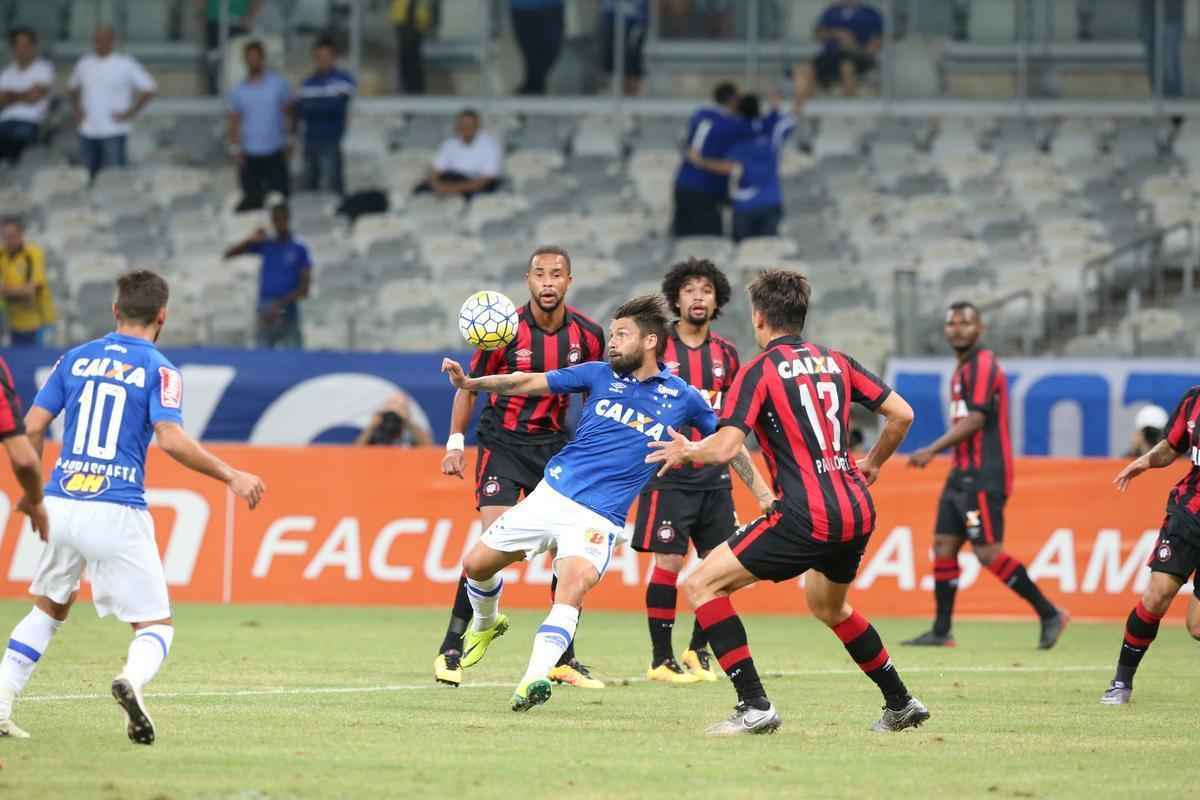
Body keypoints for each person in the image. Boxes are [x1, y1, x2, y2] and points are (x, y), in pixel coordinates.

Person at [442, 294, 768, 713]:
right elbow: (527, 381)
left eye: (621, 335)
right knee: (475, 565)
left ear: (650, 341)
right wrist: (472, 384)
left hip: (598, 517)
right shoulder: (598, 374)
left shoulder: (683, 397)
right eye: (611, 334)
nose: (611, 342)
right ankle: (486, 625)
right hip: (551, 495)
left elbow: (730, 443)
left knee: (572, 585)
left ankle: (532, 679)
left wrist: (760, 492)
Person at [646, 269, 926, 735]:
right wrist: (873, 462)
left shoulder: (759, 370)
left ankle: (754, 705)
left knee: (701, 586)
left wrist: (688, 449)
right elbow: (902, 413)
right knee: (830, 607)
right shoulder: (837, 360)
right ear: (800, 316)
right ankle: (900, 702)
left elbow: (724, 446)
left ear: (759, 319)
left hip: (804, 515)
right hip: (856, 510)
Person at [0, 270, 266, 743]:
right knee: (154, 625)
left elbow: (33, 428)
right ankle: (132, 681)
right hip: (116, 507)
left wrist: (36, 493)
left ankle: (0, 702)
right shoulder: (160, 369)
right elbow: (170, 438)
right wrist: (231, 474)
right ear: (163, 315)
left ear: (115, 310)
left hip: (61, 502)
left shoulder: (75, 359)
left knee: (51, 606)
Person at [434, 246, 606, 690]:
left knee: (567, 551)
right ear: (527, 281)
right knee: (493, 544)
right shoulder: (503, 328)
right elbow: (469, 388)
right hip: (503, 445)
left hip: (557, 452)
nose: (548, 282)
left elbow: (597, 395)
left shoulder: (588, 335)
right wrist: (455, 443)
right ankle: (454, 645)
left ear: (570, 281)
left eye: (557, 275)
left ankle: (562, 657)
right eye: (539, 275)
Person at [634, 258, 774, 685]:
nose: (698, 297)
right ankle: (661, 659)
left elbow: (730, 424)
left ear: (717, 301)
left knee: (722, 568)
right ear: (676, 297)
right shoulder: (657, 348)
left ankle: (697, 652)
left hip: (714, 478)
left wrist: (759, 486)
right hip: (668, 475)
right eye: (690, 289)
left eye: (707, 291)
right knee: (670, 562)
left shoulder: (727, 355)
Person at [904, 302, 1069, 649]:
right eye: (951, 323)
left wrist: (932, 449)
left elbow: (977, 418)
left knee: (988, 552)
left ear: (979, 329)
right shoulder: (962, 368)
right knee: (943, 545)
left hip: (983, 474)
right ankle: (941, 630)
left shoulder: (981, 365)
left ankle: (1050, 612)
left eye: (965, 323)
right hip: (960, 473)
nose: (957, 329)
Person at [1102, 386, 1200, 705]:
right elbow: (1171, 447)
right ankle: (1121, 682)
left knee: (1196, 626)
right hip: (1188, 513)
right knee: (1156, 596)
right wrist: (1143, 461)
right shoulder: (1193, 400)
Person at [688, 93, 796, 242]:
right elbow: (789, 120)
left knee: (744, 255)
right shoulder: (772, 133)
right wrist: (776, 108)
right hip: (772, 200)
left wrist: (701, 162)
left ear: (738, 111)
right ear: (759, 110)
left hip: (745, 206)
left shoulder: (737, 136)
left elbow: (730, 167)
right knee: (769, 254)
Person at [67, 25, 157, 181]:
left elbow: (150, 89)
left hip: (114, 131)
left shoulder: (125, 63)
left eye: (104, 39)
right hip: (88, 131)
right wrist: (77, 110)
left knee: (115, 180)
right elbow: (72, 88)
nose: (100, 43)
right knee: (86, 178)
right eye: (97, 40)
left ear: (112, 41)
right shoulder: (84, 63)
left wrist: (131, 112)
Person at [222, 197, 312, 349]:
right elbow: (229, 254)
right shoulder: (267, 244)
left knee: (294, 357)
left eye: (282, 218)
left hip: (287, 311)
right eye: (276, 219)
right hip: (265, 310)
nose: (279, 223)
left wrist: (280, 305)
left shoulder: (299, 248)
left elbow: (305, 288)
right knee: (262, 356)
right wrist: (250, 239)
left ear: (288, 219)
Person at [672, 82, 750, 238]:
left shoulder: (700, 115)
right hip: (707, 190)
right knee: (708, 245)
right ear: (733, 100)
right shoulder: (733, 125)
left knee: (683, 241)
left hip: (682, 185)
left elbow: (687, 145)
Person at [228, 40, 293, 211]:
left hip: (274, 151)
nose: (253, 61)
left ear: (262, 58)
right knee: (252, 201)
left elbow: (288, 113)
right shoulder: (238, 91)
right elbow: (234, 120)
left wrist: (290, 140)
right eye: (249, 58)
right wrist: (234, 147)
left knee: (279, 199)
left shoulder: (278, 85)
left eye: (256, 57)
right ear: (245, 60)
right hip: (250, 153)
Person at [296, 36, 356, 196]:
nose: (323, 61)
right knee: (308, 187)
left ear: (334, 57)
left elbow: (336, 106)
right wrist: (323, 103)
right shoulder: (307, 83)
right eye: (319, 57)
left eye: (327, 57)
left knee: (330, 187)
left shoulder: (343, 79)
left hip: (330, 141)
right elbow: (301, 110)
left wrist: (315, 105)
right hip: (310, 141)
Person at [794, 0, 883, 101]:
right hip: (831, 56)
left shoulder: (870, 14)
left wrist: (853, 46)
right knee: (805, 68)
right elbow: (819, 34)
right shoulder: (832, 11)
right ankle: (808, 108)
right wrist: (837, 34)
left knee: (846, 66)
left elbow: (875, 44)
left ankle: (850, 105)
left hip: (857, 57)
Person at [414, 109, 502, 199]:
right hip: (452, 178)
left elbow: (487, 179)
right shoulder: (449, 143)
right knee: (420, 189)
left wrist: (451, 189)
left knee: (480, 190)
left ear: (477, 126)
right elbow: (435, 170)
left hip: (476, 182)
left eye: (469, 125)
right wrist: (437, 185)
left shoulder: (490, 145)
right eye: (462, 124)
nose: (465, 128)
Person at [0, 27, 53, 165]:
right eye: (18, 45)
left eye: (25, 45)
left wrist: (11, 95)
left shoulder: (44, 68)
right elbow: (2, 101)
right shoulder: (7, 72)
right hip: (5, 121)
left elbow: (34, 97)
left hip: (30, 122)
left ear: (33, 46)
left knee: (16, 141)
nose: (22, 49)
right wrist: (24, 94)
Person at [0, 218, 55, 347]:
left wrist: (7, 291)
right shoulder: (2, 256)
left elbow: (32, 289)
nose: (9, 240)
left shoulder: (32, 254)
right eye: (5, 236)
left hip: (38, 322)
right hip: (13, 323)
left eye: (12, 236)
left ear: (21, 235)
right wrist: (20, 290)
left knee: (38, 361)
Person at [195, 0, 264, 95]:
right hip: (214, 21)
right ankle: (214, 94)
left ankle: (240, 96)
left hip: (239, 21)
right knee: (214, 60)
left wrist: (250, 16)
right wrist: (201, 14)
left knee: (238, 61)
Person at [510, 0, 565, 95]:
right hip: (523, 8)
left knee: (551, 51)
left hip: (552, 7)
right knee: (533, 58)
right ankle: (533, 89)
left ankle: (532, 88)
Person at [600, 0, 649, 97]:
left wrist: (641, 23)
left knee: (632, 57)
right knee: (611, 56)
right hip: (613, 18)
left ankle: (633, 90)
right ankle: (617, 90)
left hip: (634, 20)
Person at [392, 0, 440, 94]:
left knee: (413, 58)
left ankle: (415, 89)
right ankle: (410, 88)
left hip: (414, 22)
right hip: (404, 20)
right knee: (407, 58)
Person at [356, 391, 434, 447]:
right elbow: (357, 451)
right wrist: (372, 426)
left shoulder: (411, 432)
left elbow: (429, 448)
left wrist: (408, 422)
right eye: (392, 404)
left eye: (401, 406)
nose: (394, 414)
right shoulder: (376, 430)